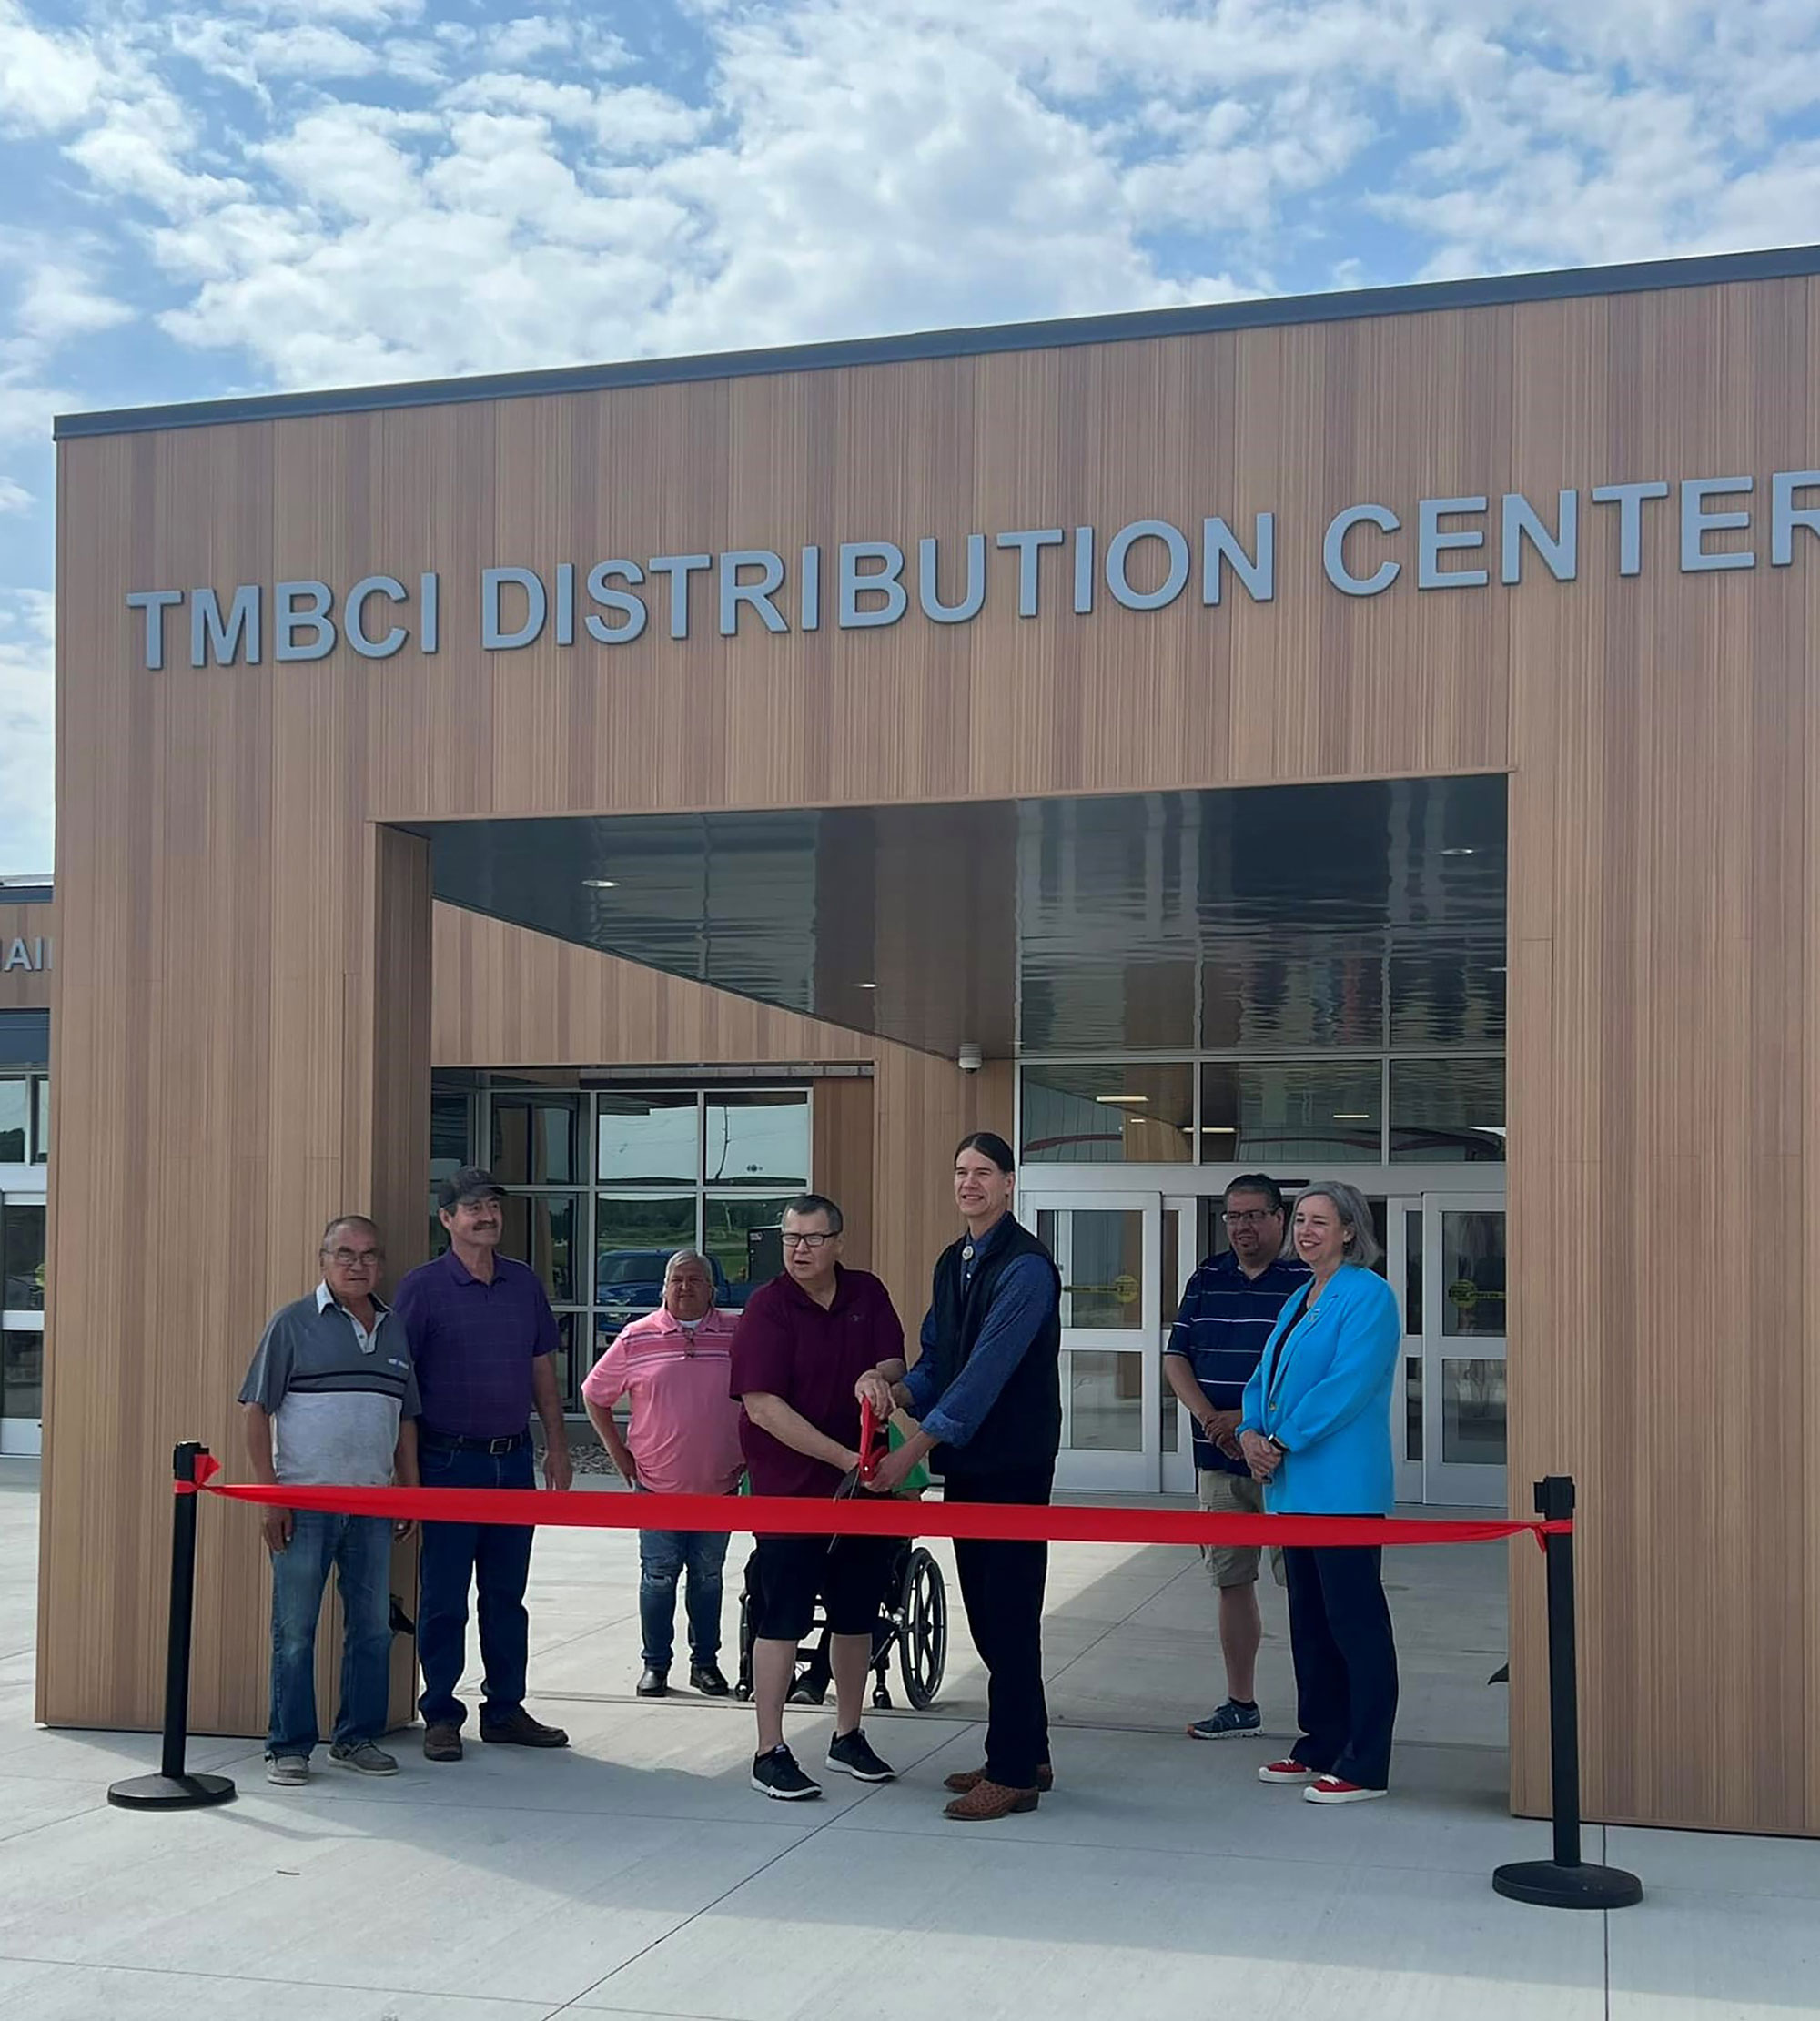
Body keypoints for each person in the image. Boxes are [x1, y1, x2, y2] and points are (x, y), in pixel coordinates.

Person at [864, 1131, 1062, 1823]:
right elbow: (937, 1360)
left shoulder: (1027, 1267)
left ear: (1009, 1184)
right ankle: (1025, 1748)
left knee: (1007, 1613)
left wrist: (907, 1452)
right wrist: (890, 1387)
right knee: (989, 1612)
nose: (968, 1183)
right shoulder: (956, 1261)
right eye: (959, 1172)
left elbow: (981, 1379)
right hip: (972, 1465)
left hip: (1012, 1464)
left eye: (983, 1172)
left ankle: (1013, 1776)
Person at [392, 1166, 573, 1762]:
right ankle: (441, 1712)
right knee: (443, 1593)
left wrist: (557, 1442)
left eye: (493, 1204)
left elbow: (541, 1367)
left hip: (512, 1459)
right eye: (473, 1207)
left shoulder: (523, 1283)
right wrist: (409, 1476)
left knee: (505, 1593)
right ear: (447, 1219)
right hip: (447, 1461)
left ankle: (505, 1708)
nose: (487, 1215)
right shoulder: (421, 1289)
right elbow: (404, 1390)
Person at [730, 1193, 905, 1801]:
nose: (799, 1249)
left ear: (838, 1241)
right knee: (782, 1616)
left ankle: (847, 1734)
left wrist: (877, 1376)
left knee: (857, 1613)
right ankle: (768, 1749)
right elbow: (762, 1406)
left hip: (866, 1490)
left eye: (812, 1238)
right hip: (792, 1492)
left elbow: (896, 1358)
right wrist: (842, 1459)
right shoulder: (767, 1308)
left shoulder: (867, 1293)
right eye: (790, 1238)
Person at [238, 1215, 420, 1785]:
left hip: (371, 1508)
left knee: (370, 1628)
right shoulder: (292, 1324)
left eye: (368, 1255)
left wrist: (408, 1492)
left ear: (380, 1264)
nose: (357, 1265)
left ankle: (355, 1738)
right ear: (323, 1260)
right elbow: (255, 1412)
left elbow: (405, 1419)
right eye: (344, 1254)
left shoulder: (393, 1329)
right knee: (295, 1630)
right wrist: (273, 1498)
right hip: (303, 1507)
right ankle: (287, 1747)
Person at [1237, 1180, 1400, 1804]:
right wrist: (1251, 1430)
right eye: (1301, 1220)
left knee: (1353, 1623)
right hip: (1292, 1488)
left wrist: (1279, 1436)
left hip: (1342, 1491)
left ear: (1350, 1230)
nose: (1306, 1231)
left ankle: (1366, 1760)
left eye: (1320, 1222)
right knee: (1309, 1622)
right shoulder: (1302, 1295)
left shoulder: (1369, 1295)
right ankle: (1321, 1740)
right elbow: (1264, 1376)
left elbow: (1346, 1385)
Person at [1163, 1174, 1309, 1741]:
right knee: (1231, 1580)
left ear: (1279, 1217)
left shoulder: (1305, 1282)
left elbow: (1307, 1373)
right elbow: (1177, 1358)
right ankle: (1240, 1703)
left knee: (1304, 1583)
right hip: (1218, 1460)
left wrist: (1252, 1426)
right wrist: (1211, 1420)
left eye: (1253, 1215)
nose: (1242, 1227)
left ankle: (1317, 1711)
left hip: (1284, 1461)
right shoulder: (1207, 1277)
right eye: (1233, 1216)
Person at [581, 1247, 744, 1699]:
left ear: (713, 1289)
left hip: (719, 1484)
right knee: (657, 1578)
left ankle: (706, 1665)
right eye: (678, 1280)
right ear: (664, 1288)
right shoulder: (636, 1337)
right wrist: (620, 1456)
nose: (686, 1287)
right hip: (657, 1486)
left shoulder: (737, 1332)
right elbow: (595, 1395)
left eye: (696, 1280)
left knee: (709, 1579)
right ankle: (655, 1665)